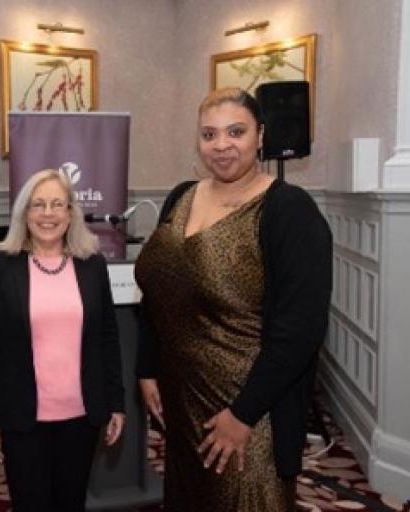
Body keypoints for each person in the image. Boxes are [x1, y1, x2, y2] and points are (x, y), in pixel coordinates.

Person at [135, 87, 332, 511]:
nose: (221, 145)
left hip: (249, 412)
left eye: (235, 132)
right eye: (209, 135)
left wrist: (243, 415)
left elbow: (300, 331)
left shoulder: (288, 210)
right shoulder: (181, 196)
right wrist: (148, 365)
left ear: (260, 136)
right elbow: (161, 294)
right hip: (182, 402)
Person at [0, 169, 125, 512]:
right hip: (22, 416)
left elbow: (107, 338)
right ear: (24, 213)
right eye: (38, 204)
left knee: (70, 502)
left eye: (58, 204)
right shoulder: (0, 268)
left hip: (81, 415)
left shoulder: (92, 265)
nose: (48, 213)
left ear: (71, 213)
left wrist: (115, 401)